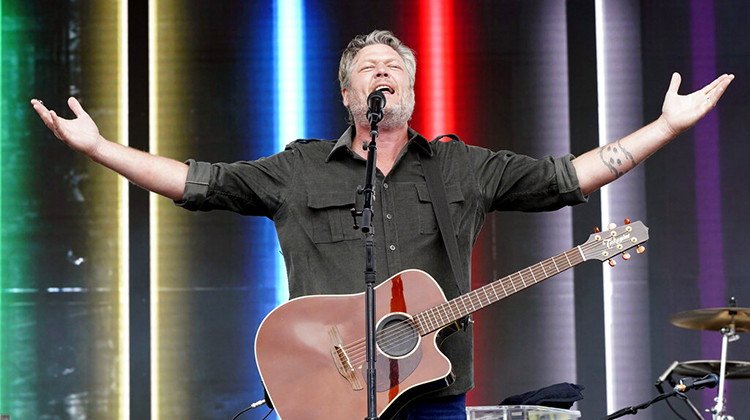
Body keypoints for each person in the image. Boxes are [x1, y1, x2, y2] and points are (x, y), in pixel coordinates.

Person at [31, 30, 733, 420]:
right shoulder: (298, 170)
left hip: (432, 397)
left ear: (413, 89)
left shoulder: (462, 168)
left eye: (395, 65)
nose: (382, 72)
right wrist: (98, 148)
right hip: (320, 394)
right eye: (368, 67)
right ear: (348, 94)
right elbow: (195, 182)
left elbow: (570, 176)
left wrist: (664, 129)